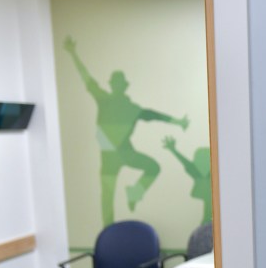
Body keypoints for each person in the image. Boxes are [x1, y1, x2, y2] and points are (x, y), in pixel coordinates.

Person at [64, 36, 190, 225]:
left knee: (153, 167)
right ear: (112, 85)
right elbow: (87, 79)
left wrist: (177, 121)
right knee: (107, 196)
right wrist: (73, 53)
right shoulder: (104, 99)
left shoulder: (132, 108)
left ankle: (134, 193)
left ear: (123, 87)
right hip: (109, 157)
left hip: (125, 152)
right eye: (115, 83)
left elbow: (153, 115)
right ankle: (107, 234)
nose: (117, 86)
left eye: (120, 84)